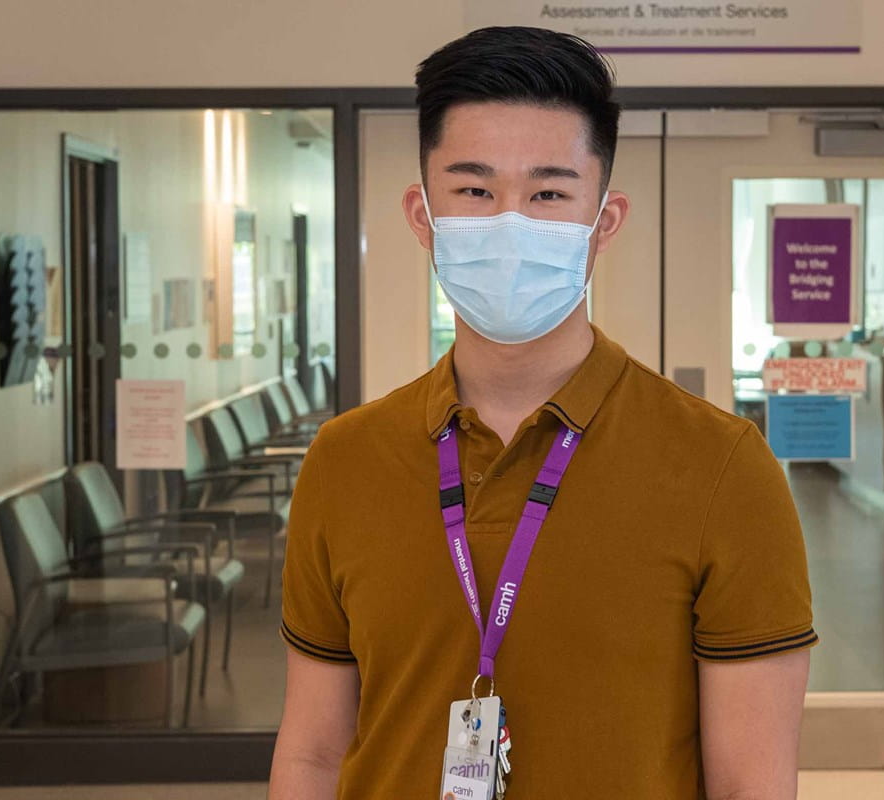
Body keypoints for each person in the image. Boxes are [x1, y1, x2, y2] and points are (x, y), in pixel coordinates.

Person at [269, 25, 816, 800]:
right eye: (475, 190)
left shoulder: (721, 467)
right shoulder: (345, 459)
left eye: (550, 193)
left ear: (606, 221)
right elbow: (313, 754)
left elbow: (751, 784)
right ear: (424, 217)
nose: (511, 222)